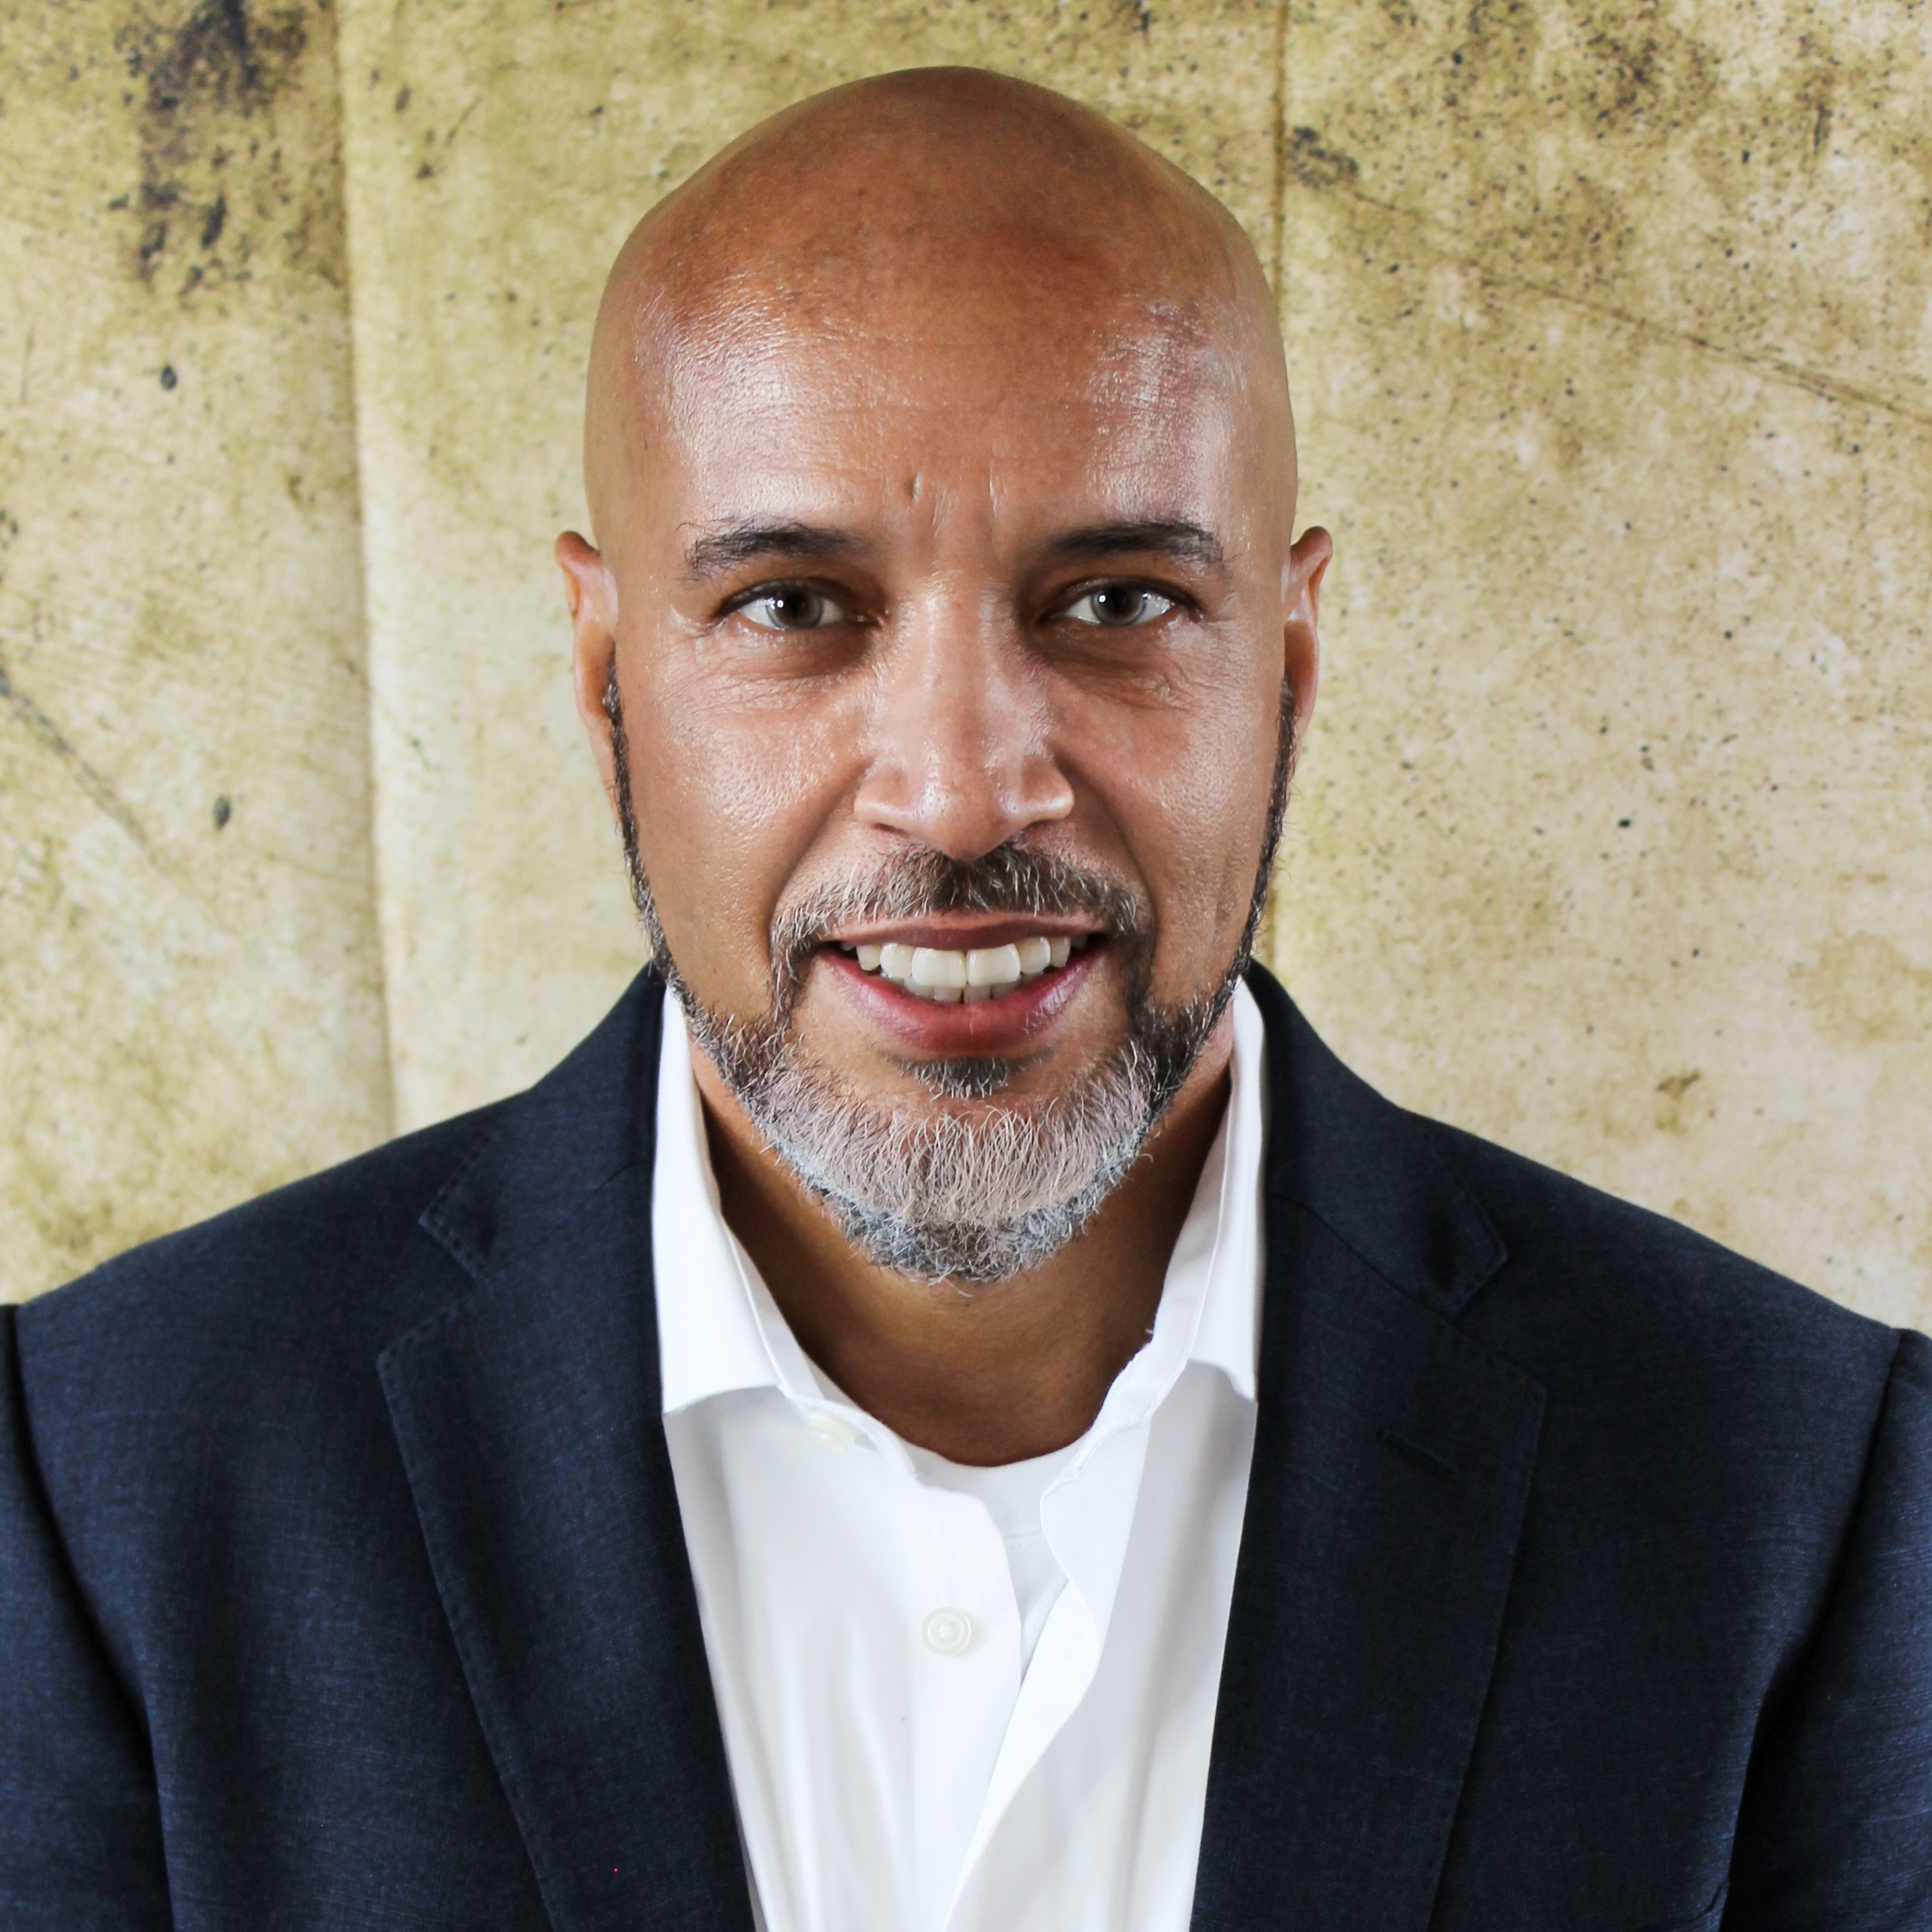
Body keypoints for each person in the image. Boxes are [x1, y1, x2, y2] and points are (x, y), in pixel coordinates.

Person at [2, 66, 1927, 1932]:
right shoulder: (103, 1498)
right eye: (792, 605)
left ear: (1290, 656)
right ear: (603, 677)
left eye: (1108, 601)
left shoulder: (1806, 1508)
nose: (958, 783)